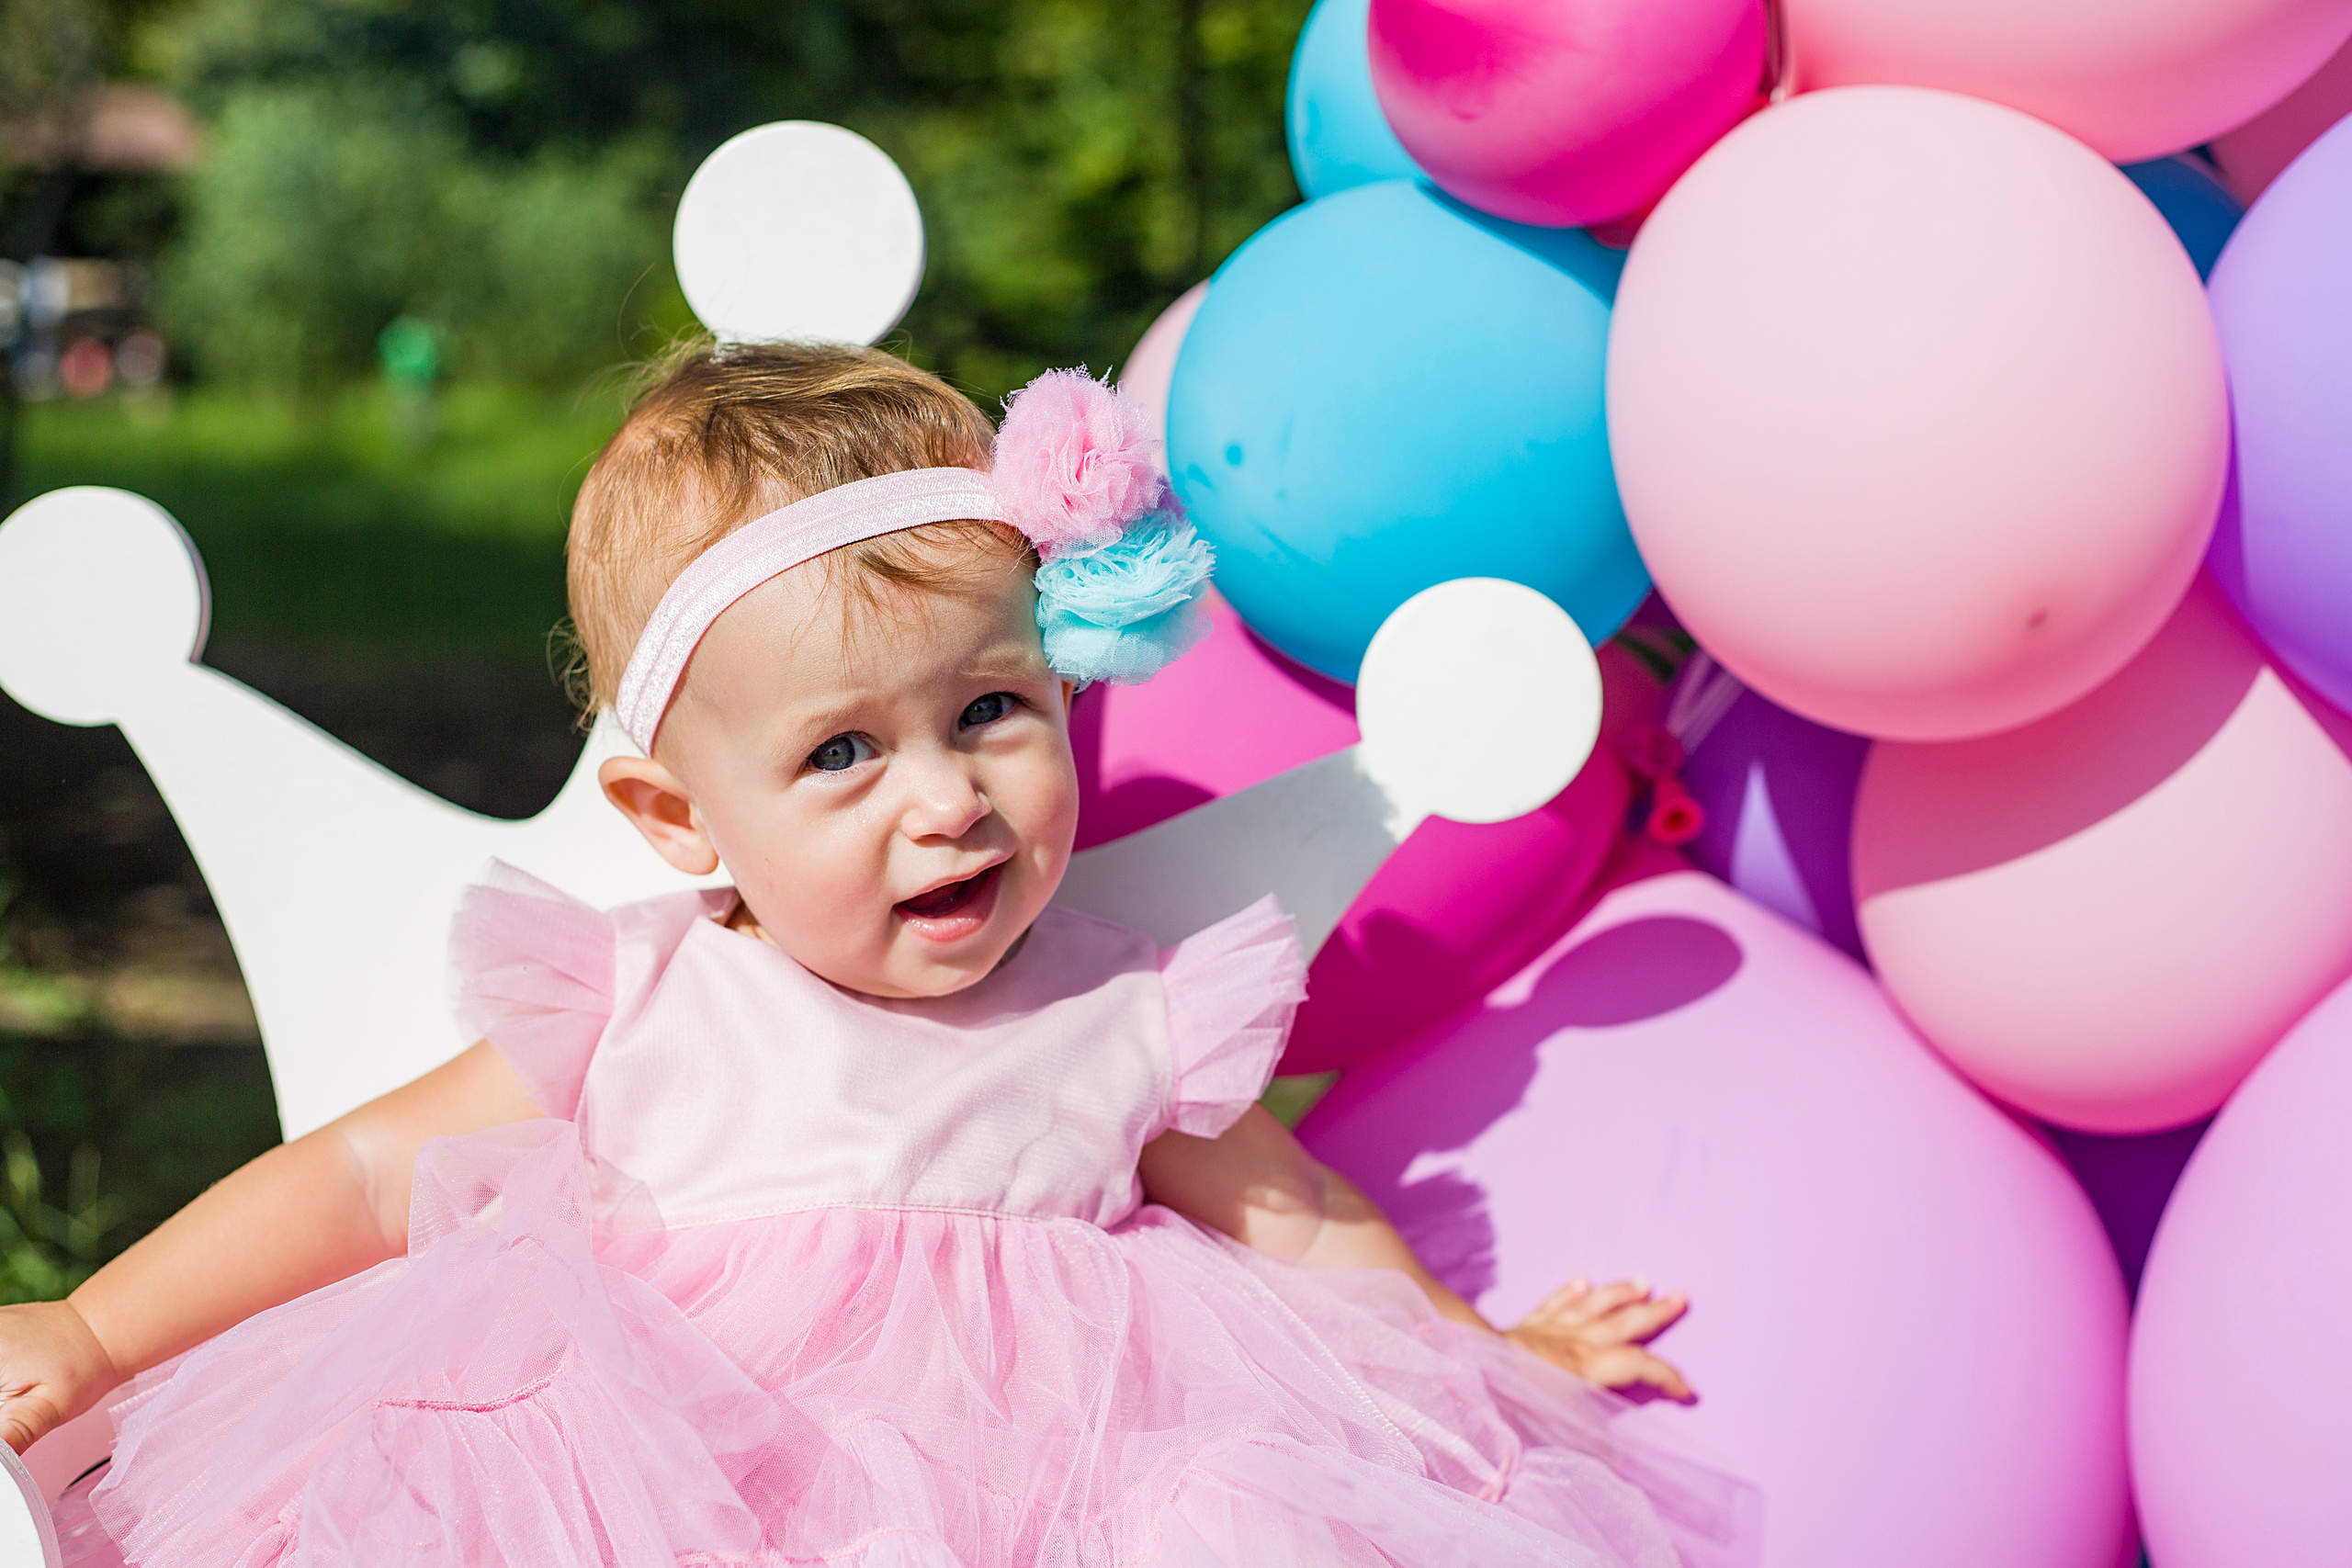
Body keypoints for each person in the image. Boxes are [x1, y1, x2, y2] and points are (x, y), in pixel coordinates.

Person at [3, 342, 1755, 1566]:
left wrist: (1486, 1355)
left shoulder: (1122, 1009)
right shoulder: (649, 1001)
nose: (948, 801)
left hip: (1075, 1493)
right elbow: (363, 1177)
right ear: (681, 818)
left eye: (991, 710)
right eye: (843, 752)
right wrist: (93, 1328)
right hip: (685, 1494)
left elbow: (1294, 1217)